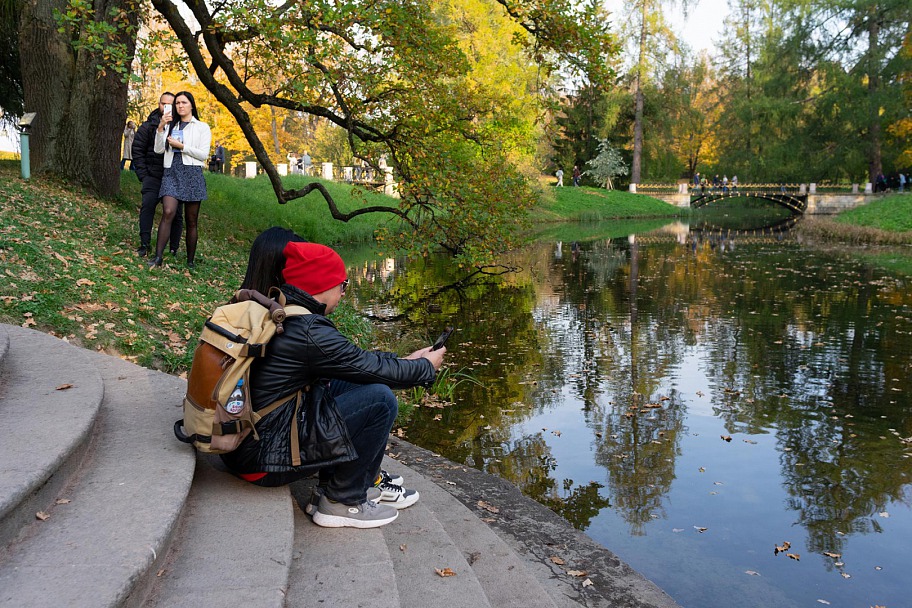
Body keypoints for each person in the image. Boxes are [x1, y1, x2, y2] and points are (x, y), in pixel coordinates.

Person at [221, 241, 444, 528]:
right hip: (260, 462)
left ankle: (336, 487)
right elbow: (365, 366)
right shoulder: (309, 331)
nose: (342, 292)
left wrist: (407, 361)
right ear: (322, 285)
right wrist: (423, 368)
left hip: (247, 444)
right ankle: (342, 500)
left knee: (346, 383)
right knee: (380, 400)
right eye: (342, 284)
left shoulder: (279, 311)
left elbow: (356, 364)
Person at [149, 91, 211, 269]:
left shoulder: (201, 127)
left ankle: (190, 261)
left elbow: (203, 155)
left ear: (192, 105)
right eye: (177, 103)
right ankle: (158, 257)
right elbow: (159, 150)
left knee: (192, 220)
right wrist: (161, 127)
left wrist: (182, 147)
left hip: (192, 174)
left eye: (184, 102)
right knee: (168, 211)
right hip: (171, 172)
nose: (180, 106)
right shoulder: (169, 125)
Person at [132, 92, 183, 258]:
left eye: (169, 104)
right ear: (159, 104)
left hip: (173, 176)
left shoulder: (181, 126)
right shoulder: (148, 126)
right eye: (163, 103)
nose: (165, 107)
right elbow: (138, 150)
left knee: (175, 213)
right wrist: (144, 175)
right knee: (147, 207)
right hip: (152, 176)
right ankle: (145, 244)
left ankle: (173, 248)